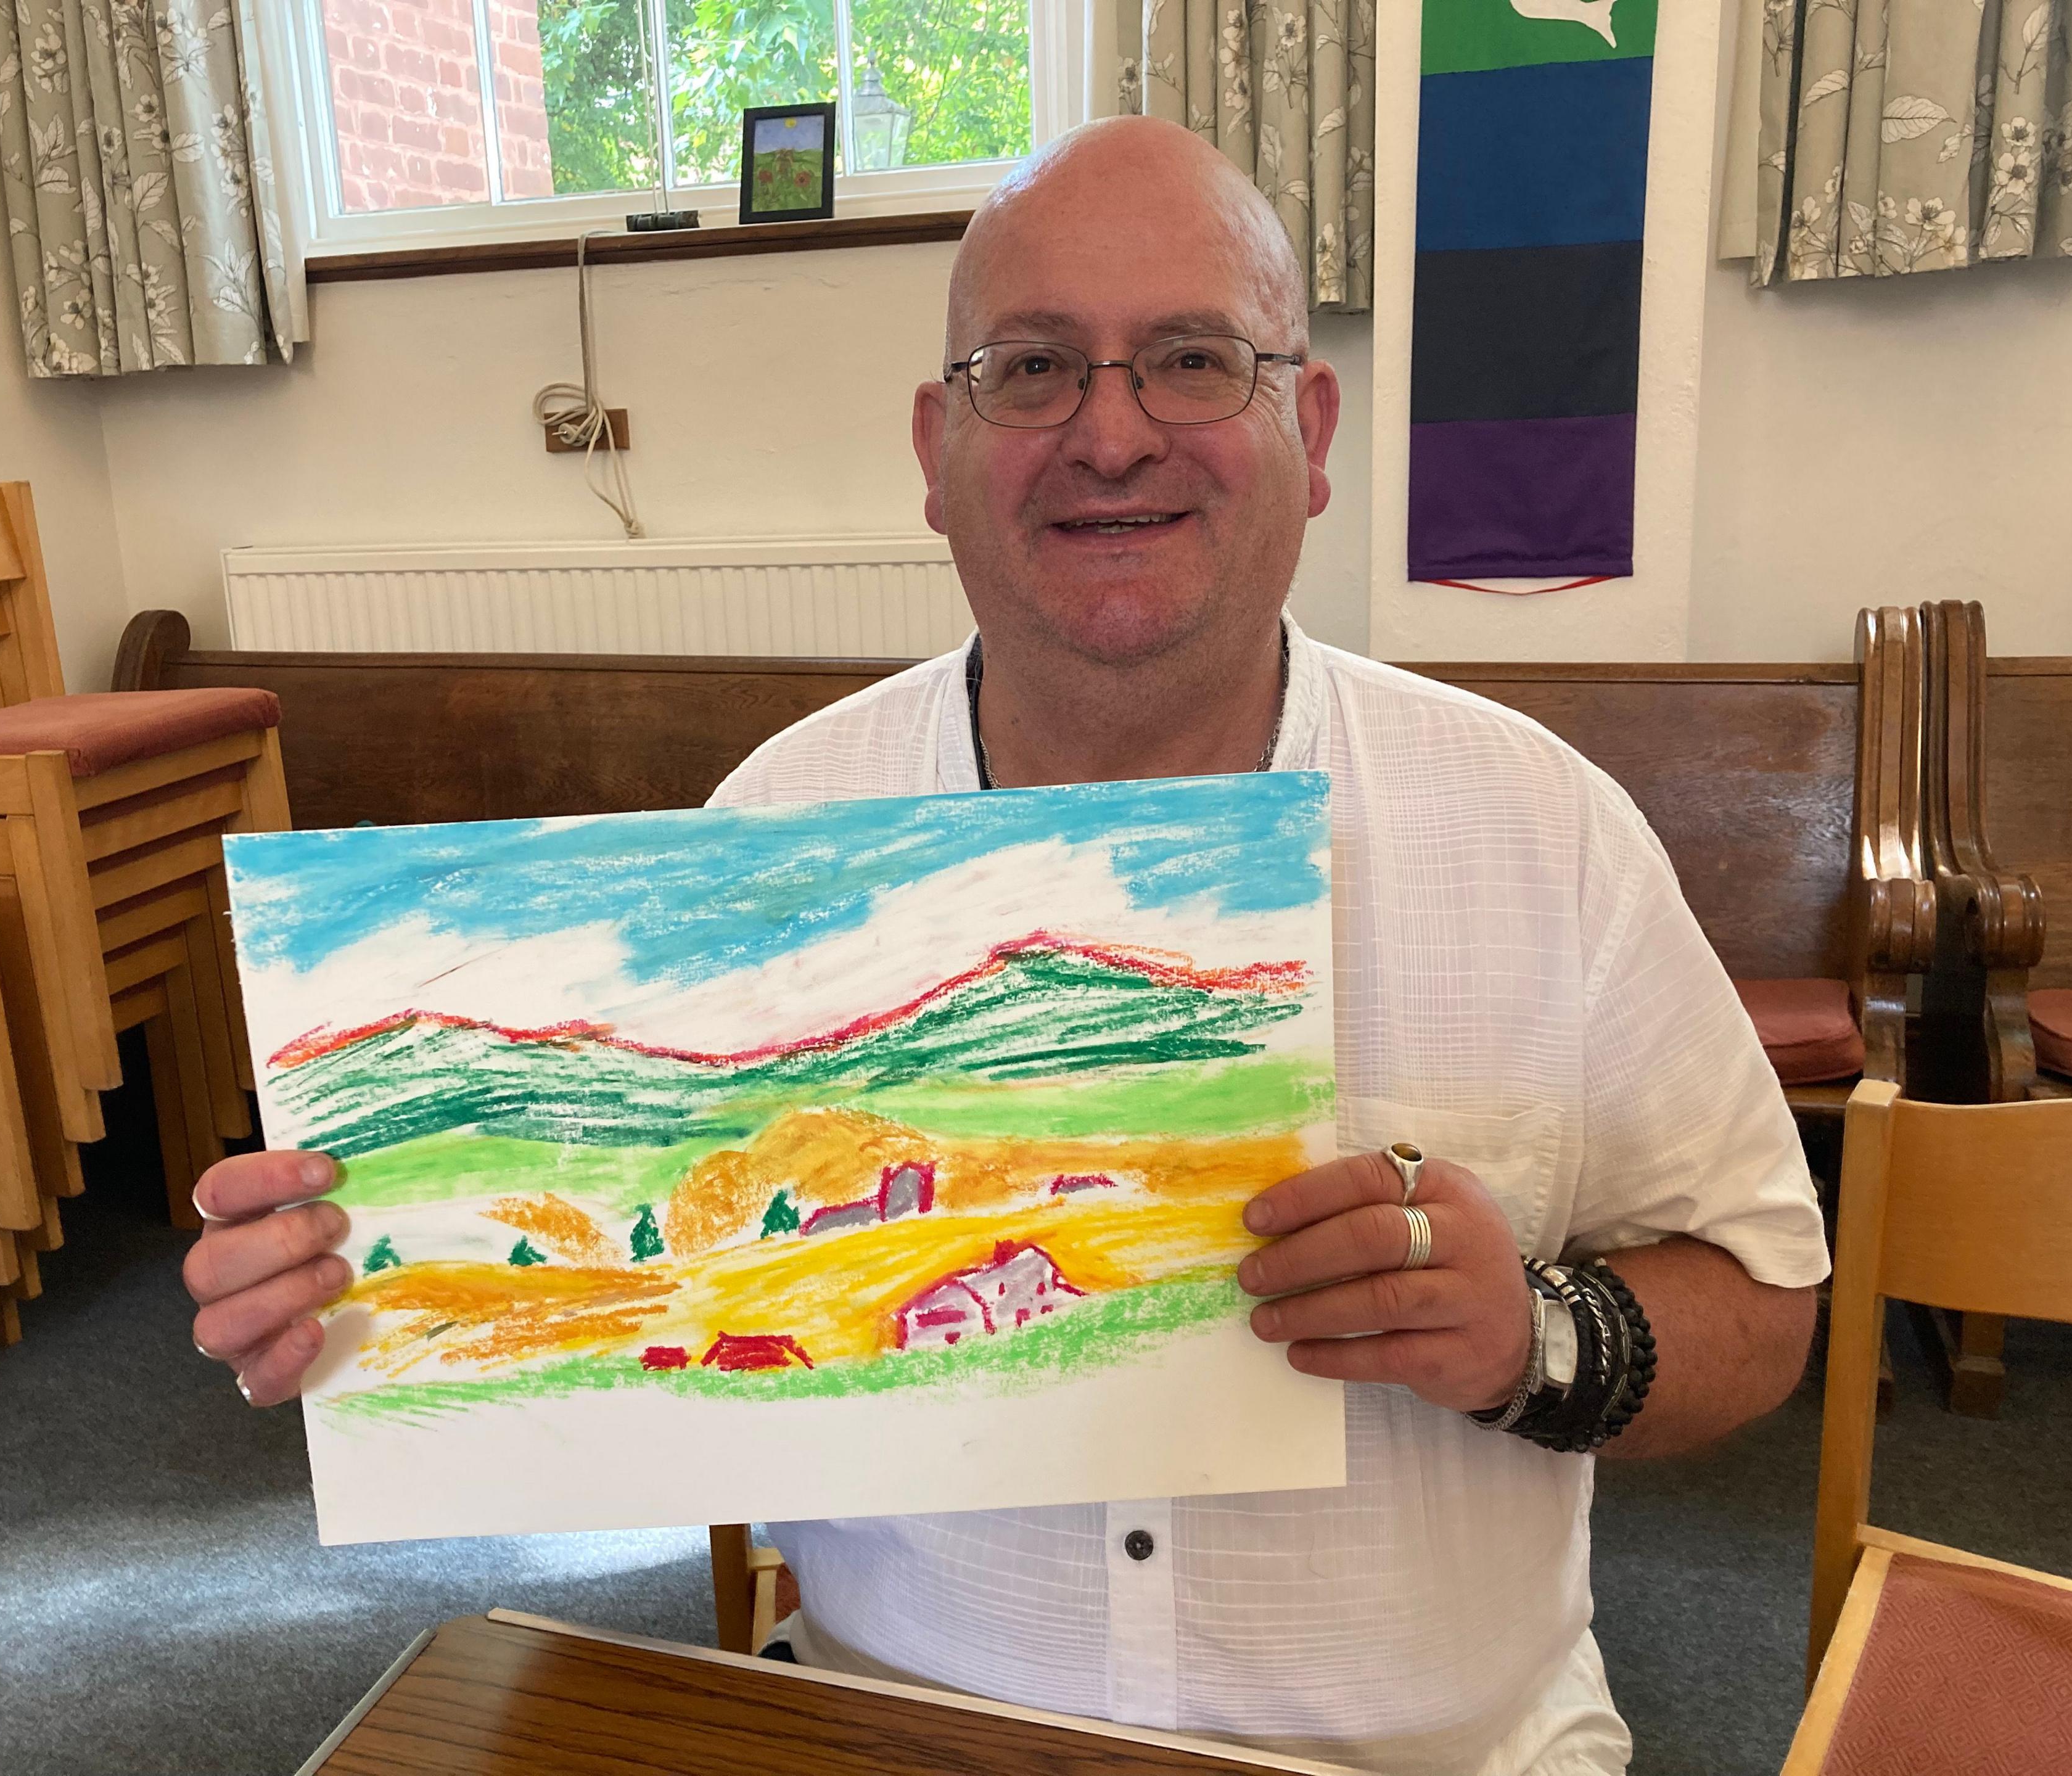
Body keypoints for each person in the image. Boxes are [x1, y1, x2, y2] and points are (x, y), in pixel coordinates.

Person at [184, 118, 1825, 1775]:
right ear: (938, 446)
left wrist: (1527, 1341)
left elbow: (1766, 1299)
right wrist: (367, 1299)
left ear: (1310, 431)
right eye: (1030, 368)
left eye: (1193, 360)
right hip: (891, 1730)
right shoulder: (774, 827)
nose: (1109, 436)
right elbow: (645, 1302)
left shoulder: (1547, 832)